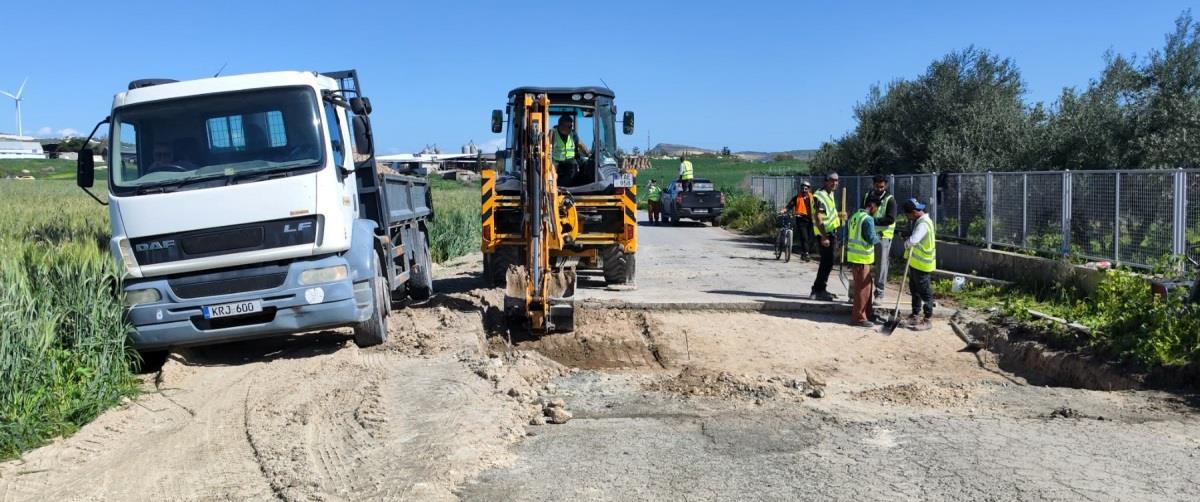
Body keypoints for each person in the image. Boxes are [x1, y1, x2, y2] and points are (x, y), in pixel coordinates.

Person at [809, 173, 847, 301]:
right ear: (825, 181)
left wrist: (839, 216)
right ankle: (817, 289)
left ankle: (820, 288)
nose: (835, 183)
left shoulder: (830, 194)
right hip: (824, 233)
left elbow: (829, 214)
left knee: (828, 262)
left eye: (837, 181)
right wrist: (824, 237)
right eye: (832, 181)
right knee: (827, 262)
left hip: (831, 232)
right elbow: (818, 218)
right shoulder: (819, 196)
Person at [902, 198, 937, 331]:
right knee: (914, 290)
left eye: (908, 215)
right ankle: (915, 315)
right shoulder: (921, 221)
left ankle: (927, 319)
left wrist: (906, 242)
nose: (908, 217)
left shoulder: (923, 223)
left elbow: (914, 240)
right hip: (916, 263)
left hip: (923, 264)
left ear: (913, 212)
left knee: (924, 291)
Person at [847, 196, 882, 327]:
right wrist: (880, 237)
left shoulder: (856, 216)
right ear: (872, 206)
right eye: (877, 208)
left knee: (864, 287)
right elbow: (871, 238)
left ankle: (866, 314)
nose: (876, 211)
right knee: (863, 290)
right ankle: (859, 318)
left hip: (855, 257)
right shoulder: (868, 219)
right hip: (861, 259)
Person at [864, 175, 898, 299]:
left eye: (882, 186)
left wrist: (873, 221)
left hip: (883, 236)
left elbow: (890, 218)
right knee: (865, 261)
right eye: (877, 186)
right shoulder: (868, 195)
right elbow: (864, 211)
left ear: (886, 185)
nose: (879, 189)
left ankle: (879, 291)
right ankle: (864, 290)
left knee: (881, 264)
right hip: (868, 235)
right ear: (873, 185)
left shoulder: (890, 200)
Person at [780, 181, 815, 261]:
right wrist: (784, 210)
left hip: (811, 220)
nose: (804, 190)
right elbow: (789, 206)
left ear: (809, 189)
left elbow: (818, 207)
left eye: (806, 188)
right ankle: (806, 253)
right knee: (804, 237)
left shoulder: (813, 198)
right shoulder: (797, 198)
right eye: (802, 188)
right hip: (801, 220)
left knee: (809, 238)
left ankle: (803, 253)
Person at [551, 114, 589, 185]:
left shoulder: (573, 134)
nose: (570, 128)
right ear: (561, 126)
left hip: (570, 160)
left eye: (571, 126)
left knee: (582, 165)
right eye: (569, 127)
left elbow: (580, 144)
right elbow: (546, 146)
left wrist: (588, 154)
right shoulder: (553, 133)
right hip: (556, 160)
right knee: (551, 170)